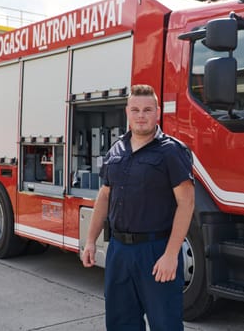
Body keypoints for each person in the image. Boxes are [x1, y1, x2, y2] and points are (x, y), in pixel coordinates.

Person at [82, 84, 195, 331]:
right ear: (127, 112)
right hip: (119, 251)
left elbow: (186, 202)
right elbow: (104, 196)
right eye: (135, 110)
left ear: (158, 112)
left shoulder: (171, 151)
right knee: (121, 323)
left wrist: (170, 255)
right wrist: (91, 240)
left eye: (147, 110)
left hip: (156, 252)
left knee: (165, 324)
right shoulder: (116, 149)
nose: (141, 115)